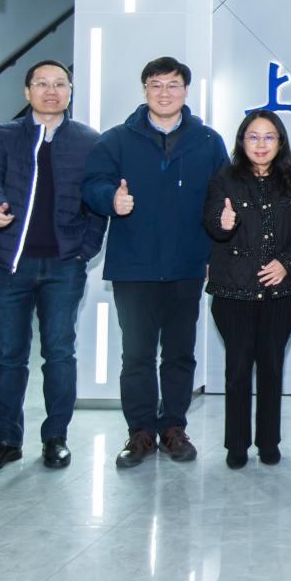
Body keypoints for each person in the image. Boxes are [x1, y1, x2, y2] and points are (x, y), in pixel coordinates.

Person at [82, 56, 228, 469]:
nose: (165, 93)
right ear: (145, 89)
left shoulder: (208, 141)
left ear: (186, 91)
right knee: (137, 354)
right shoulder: (116, 139)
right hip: (134, 265)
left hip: (187, 264)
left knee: (180, 352)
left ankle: (174, 428)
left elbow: (223, 196)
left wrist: (217, 249)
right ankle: (140, 432)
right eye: (156, 85)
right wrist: (110, 198)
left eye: (173, 85)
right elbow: (92, 184)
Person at [0, 60, 107, 475]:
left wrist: (85, 249)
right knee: (9, 356)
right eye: (42, 84)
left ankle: (55, 438)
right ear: (27, 92)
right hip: (9, 264)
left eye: (60, 84)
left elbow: (97, 197)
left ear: (70, 92)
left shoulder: (89, 140)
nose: (51, 91)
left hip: (64, 267)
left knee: (59, 354)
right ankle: (6, 441)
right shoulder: (2, 134)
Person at [204, 110, 291, 469]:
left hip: (279, 291)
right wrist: (223, 223)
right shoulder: (225, 179)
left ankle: (269, 442)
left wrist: (286, 263)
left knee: (271, 367)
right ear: (242, 141)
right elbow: (211, 223)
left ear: (280, 142)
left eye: (269, 137)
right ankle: (236, 445)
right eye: (253, 137)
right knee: (238, 369)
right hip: (233, 292)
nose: (260, 144)